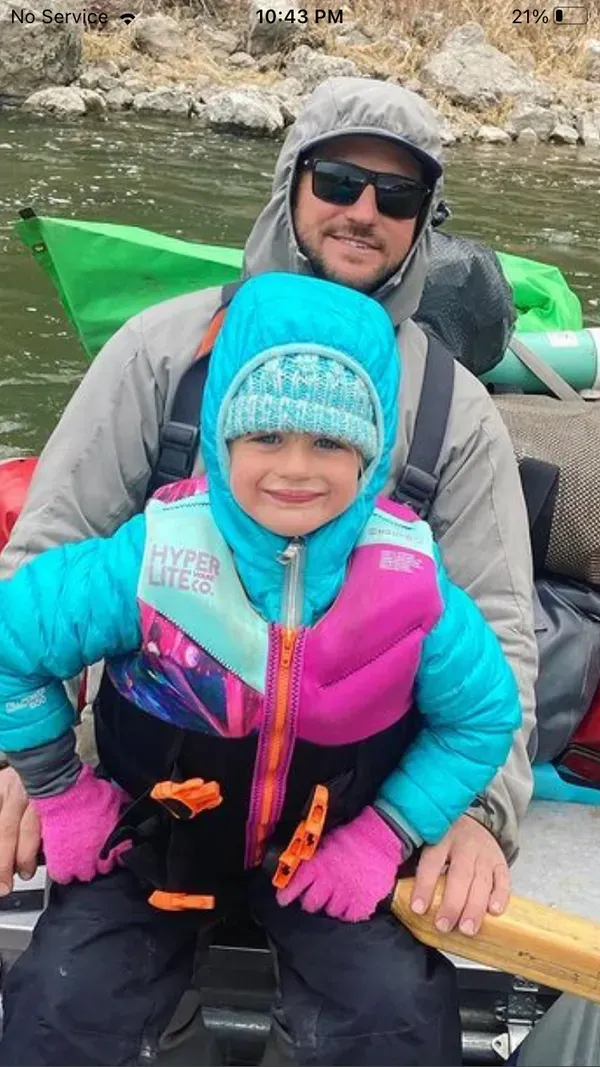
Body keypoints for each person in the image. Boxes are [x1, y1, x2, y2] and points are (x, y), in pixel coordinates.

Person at [0, 72, 537, 1046]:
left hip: (350, 819)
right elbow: (49, 555)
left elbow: (499, 639)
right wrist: (28, 767)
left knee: (394, 1019)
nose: (364, 210)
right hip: (145, 804)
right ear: (291, 184)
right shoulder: (157, 351)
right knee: (61, 1000)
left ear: (425, 219)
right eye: (338, 178)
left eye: (399, 193)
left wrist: (478, 812)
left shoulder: (458, 414)